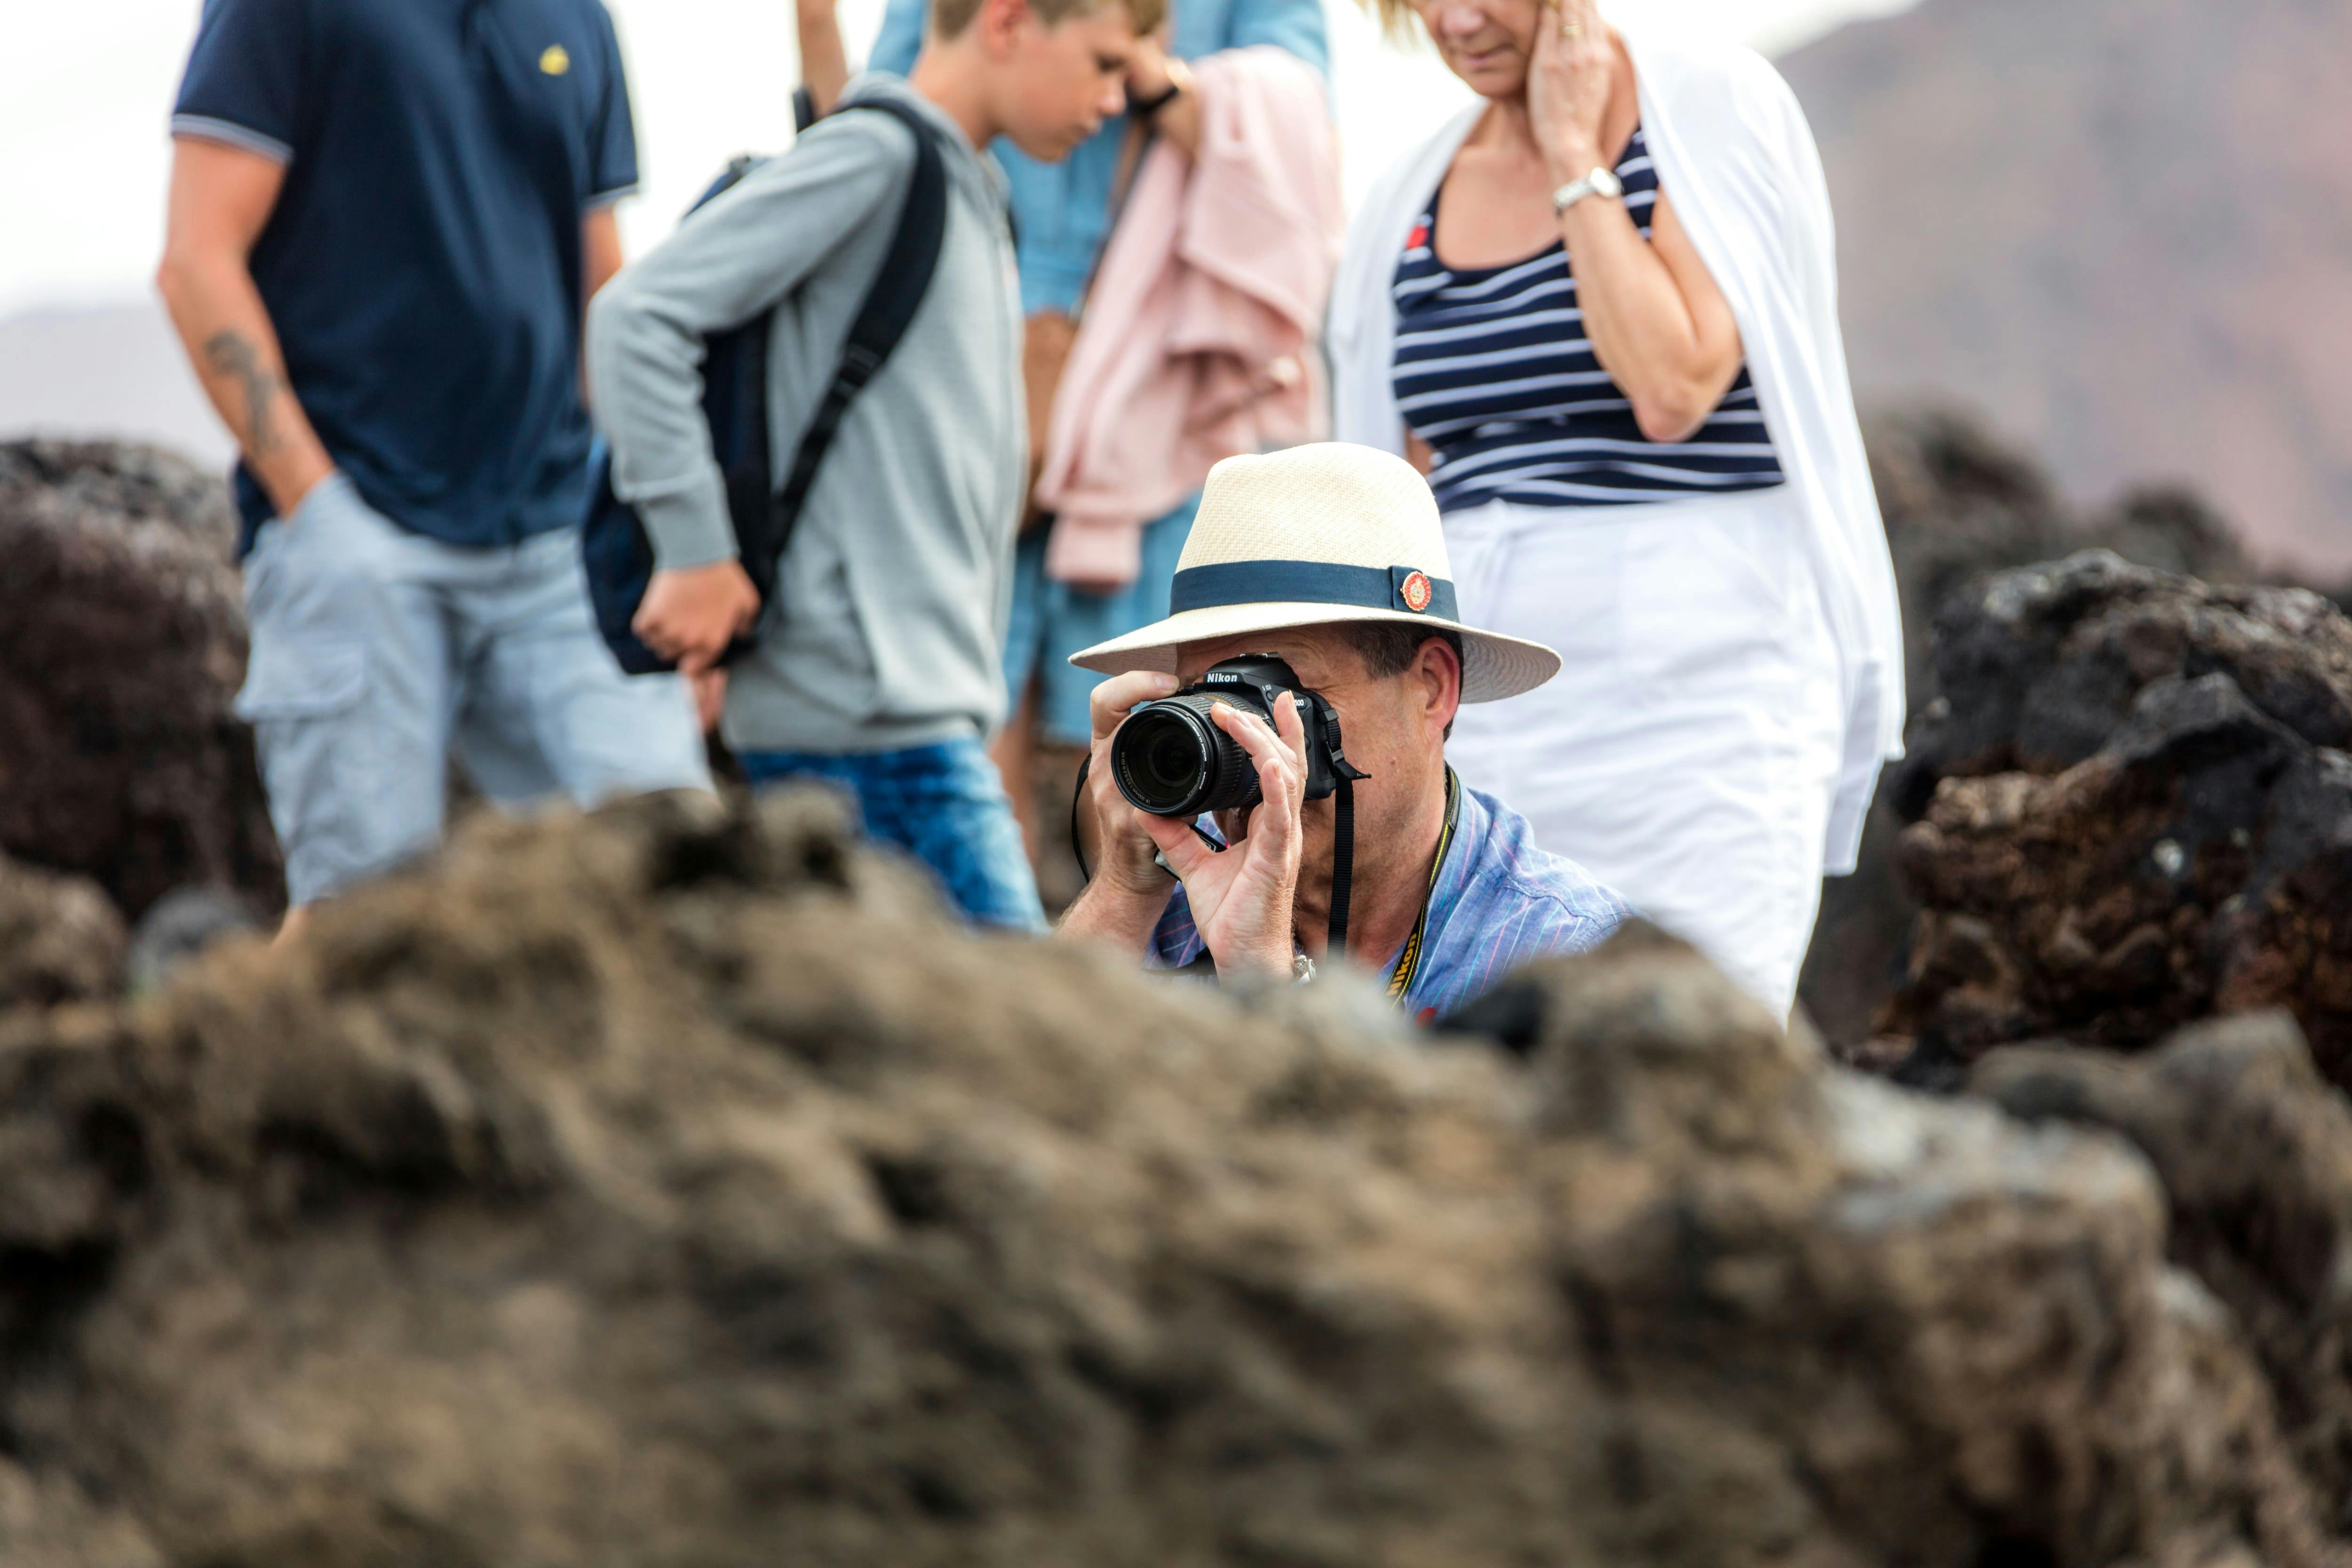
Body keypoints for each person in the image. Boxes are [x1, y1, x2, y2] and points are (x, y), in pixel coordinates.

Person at [1324, 0, 1905, 1015]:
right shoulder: (1408, 190)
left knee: (1695, 1046)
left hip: (1698, 699)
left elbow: (1673, 385)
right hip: (1486, 709)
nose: (1452, 19)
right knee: (1483, 1062)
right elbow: (1395, 481)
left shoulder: (1707, 107)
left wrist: (1570, 153)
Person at [585, 0, 1160, 930]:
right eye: (1101, 62)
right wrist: (694, 550)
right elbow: (634, 317)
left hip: (902, 728)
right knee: (1020, 1049)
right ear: (1009, 22)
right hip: (869, 736)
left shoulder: (969, 185)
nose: (1111, 100)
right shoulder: (882, 157)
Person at [157, 0, 713, 928]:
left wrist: (661, 535)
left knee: (680, 878)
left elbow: (602, 290)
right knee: (361, 932)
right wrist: (319, 506)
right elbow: (197, 260)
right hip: (359, 541)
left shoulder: (576, 16)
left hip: (558, 546)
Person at [868, 0, 1330, 899]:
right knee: (970, 695)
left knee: (1155, 706)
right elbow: (901, 103)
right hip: (982, 343)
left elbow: (1297, 146)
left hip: (1162, 381)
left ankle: (1138, 979)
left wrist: (1151, 75)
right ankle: (983, 964)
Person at [1059, 443, 1630, 1019]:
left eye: (1275, 695)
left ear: (1431, 686)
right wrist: (1123, 892)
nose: (1248, 750)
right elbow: (1004, 1098)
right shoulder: (1168, 895)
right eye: (1205, 699)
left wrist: (1257, 977)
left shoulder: (1565, 959)